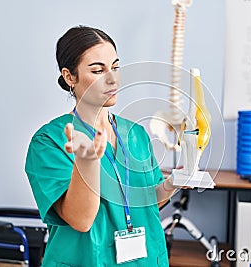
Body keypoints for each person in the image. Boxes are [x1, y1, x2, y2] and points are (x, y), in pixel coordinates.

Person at [25, 26, 179, 266]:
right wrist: (86, 163)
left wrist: (172, 183)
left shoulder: (135, 134)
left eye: (115, 67)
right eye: (98, 70)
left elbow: (147, 202)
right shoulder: (49, 142)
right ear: (69, 77)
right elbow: (81, 220)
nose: (112, 79)